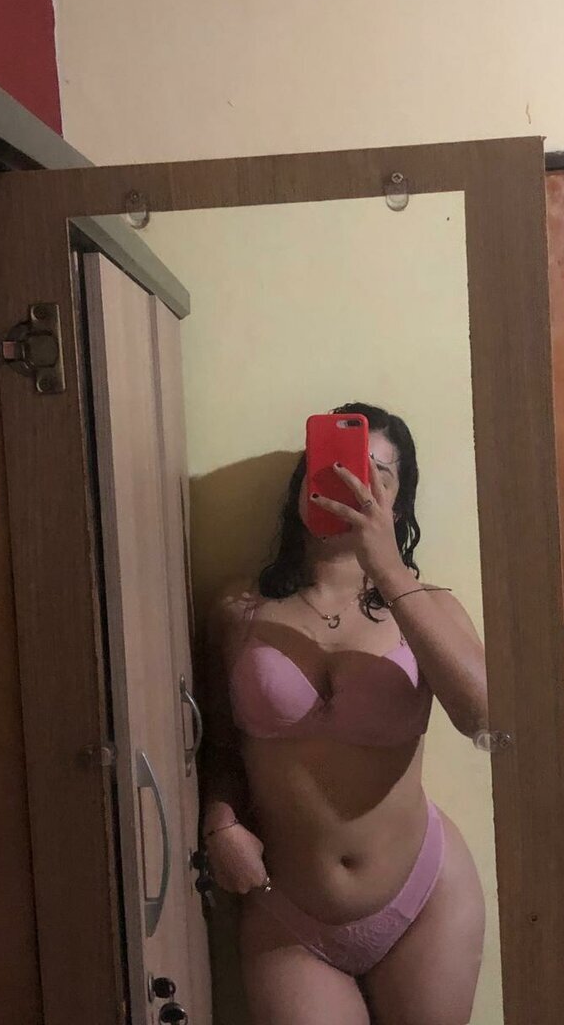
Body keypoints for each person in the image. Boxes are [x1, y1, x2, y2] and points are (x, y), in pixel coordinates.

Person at [199, 403, 487, 1025]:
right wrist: (220, 821)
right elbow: (217, 748)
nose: (352, 485)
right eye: (334, 468)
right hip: (287, 911)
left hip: (426, 898)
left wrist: (387, 568)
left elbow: (483, 716)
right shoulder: (238, 610)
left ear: (399, 505)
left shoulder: (430, 607)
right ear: (303, 485)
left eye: (376, 474)